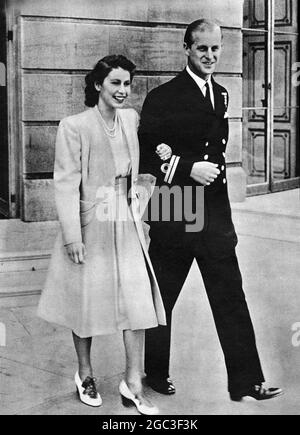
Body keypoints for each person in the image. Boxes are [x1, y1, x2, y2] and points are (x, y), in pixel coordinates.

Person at [138, 19, 283, 401]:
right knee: (162, 296)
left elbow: (215, 153)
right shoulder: (163, 96)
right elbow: (150, 151)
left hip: (213, 216)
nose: (210, 56)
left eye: (216, 49)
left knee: (230, 295)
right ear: (187, 48)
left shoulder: (220, 94)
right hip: (176, 209)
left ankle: (247, 382)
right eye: (202, 48)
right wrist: (187, 168)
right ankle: (155, 372)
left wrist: (225, 221)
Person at [37, 55, 168, 415]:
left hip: (124, 218)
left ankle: (133, 382)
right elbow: (65, 184)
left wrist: (141, 213)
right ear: (98, 85)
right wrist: (71, 236)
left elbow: (141, 171)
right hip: (91, 222)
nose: (123, 91)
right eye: (115, 83)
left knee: (138, 301)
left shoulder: (130, 119)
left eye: (127, 84)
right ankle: (85, 373)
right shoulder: (74, 126)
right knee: (86, 304)